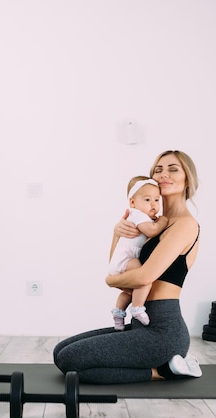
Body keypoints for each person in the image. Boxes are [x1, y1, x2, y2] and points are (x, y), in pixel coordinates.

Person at [54, 150, 202, 384]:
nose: (164, 174)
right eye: (158, 169)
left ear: (187, 179)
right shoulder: (150, 222)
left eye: (173, 169)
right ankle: (164, 366)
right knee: (60, 351)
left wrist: (109, 281)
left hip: (163, 331)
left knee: (70, 360)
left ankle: (162, 371)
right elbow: (118, 267)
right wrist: (117, 232)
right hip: (140, 325)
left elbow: (143, 277)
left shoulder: (184, 225)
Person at [109, 176, 168, 330]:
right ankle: (137, 308)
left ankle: (118, 313)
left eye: (157, 200)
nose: (153, 204)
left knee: (130, 292)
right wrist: (162, 221)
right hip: (127, 259)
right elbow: (152, 231)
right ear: (133, 202)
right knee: (144, 277)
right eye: (147, 200)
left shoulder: (142, 216)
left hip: (119, 261)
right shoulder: (137, 215)